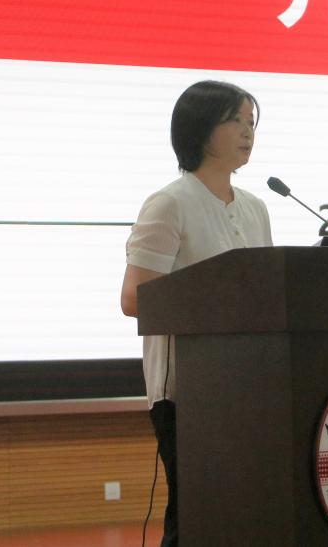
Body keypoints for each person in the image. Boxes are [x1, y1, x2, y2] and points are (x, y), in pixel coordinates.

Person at [120, 80, 273, 547]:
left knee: (242, 515)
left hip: (248, 387)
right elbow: (135, 298)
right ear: (201, 129)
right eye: (235, 121)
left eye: (252, 123)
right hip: (187, 392)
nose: (247, 132)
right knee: (195, 516)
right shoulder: (171, 203)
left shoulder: (256, 208)